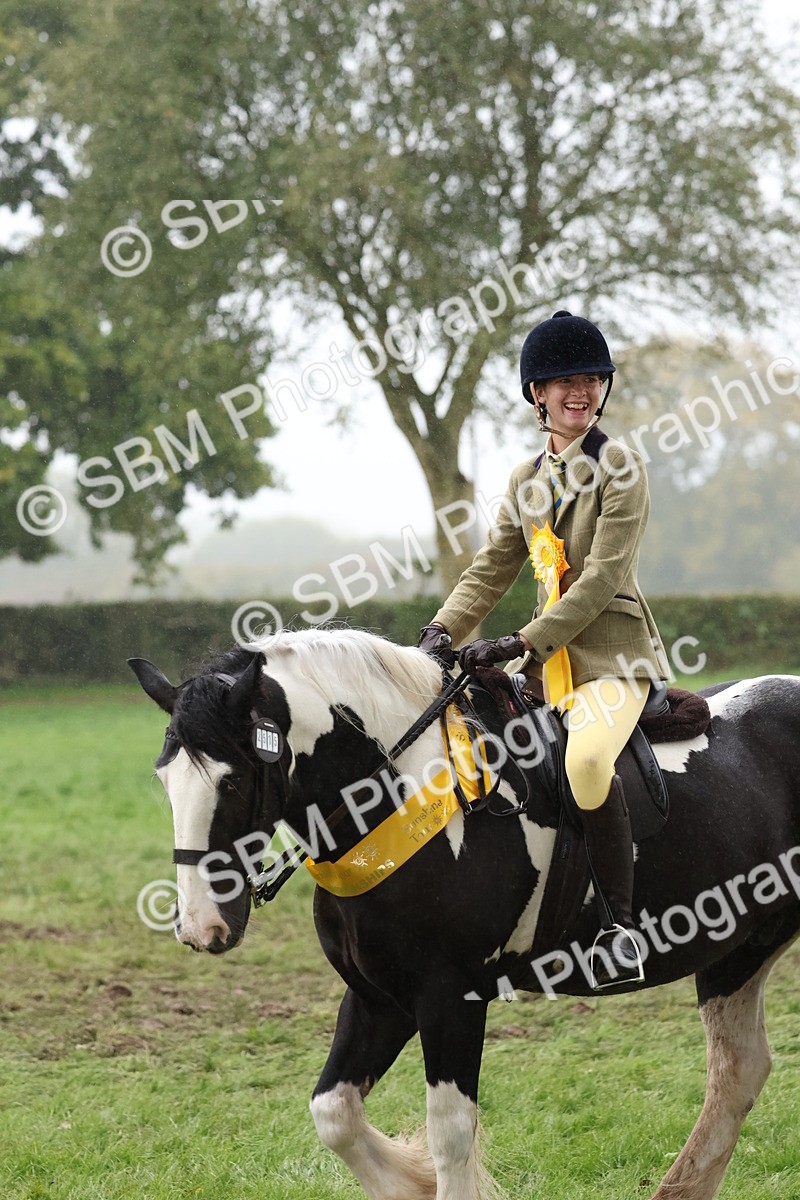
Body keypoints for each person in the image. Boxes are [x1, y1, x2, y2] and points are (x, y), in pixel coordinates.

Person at [417, 309, 669, 988]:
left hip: (612, 660)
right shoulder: (526, 478)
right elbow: (493, 566)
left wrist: (521, 640)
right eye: (563, 382)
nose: (578, 391)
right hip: (544, 670)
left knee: (587, 759)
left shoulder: (621, 465)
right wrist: (444, 629)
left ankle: (622, 928)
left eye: (590, 379)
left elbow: (600, 579)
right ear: (537, 393)